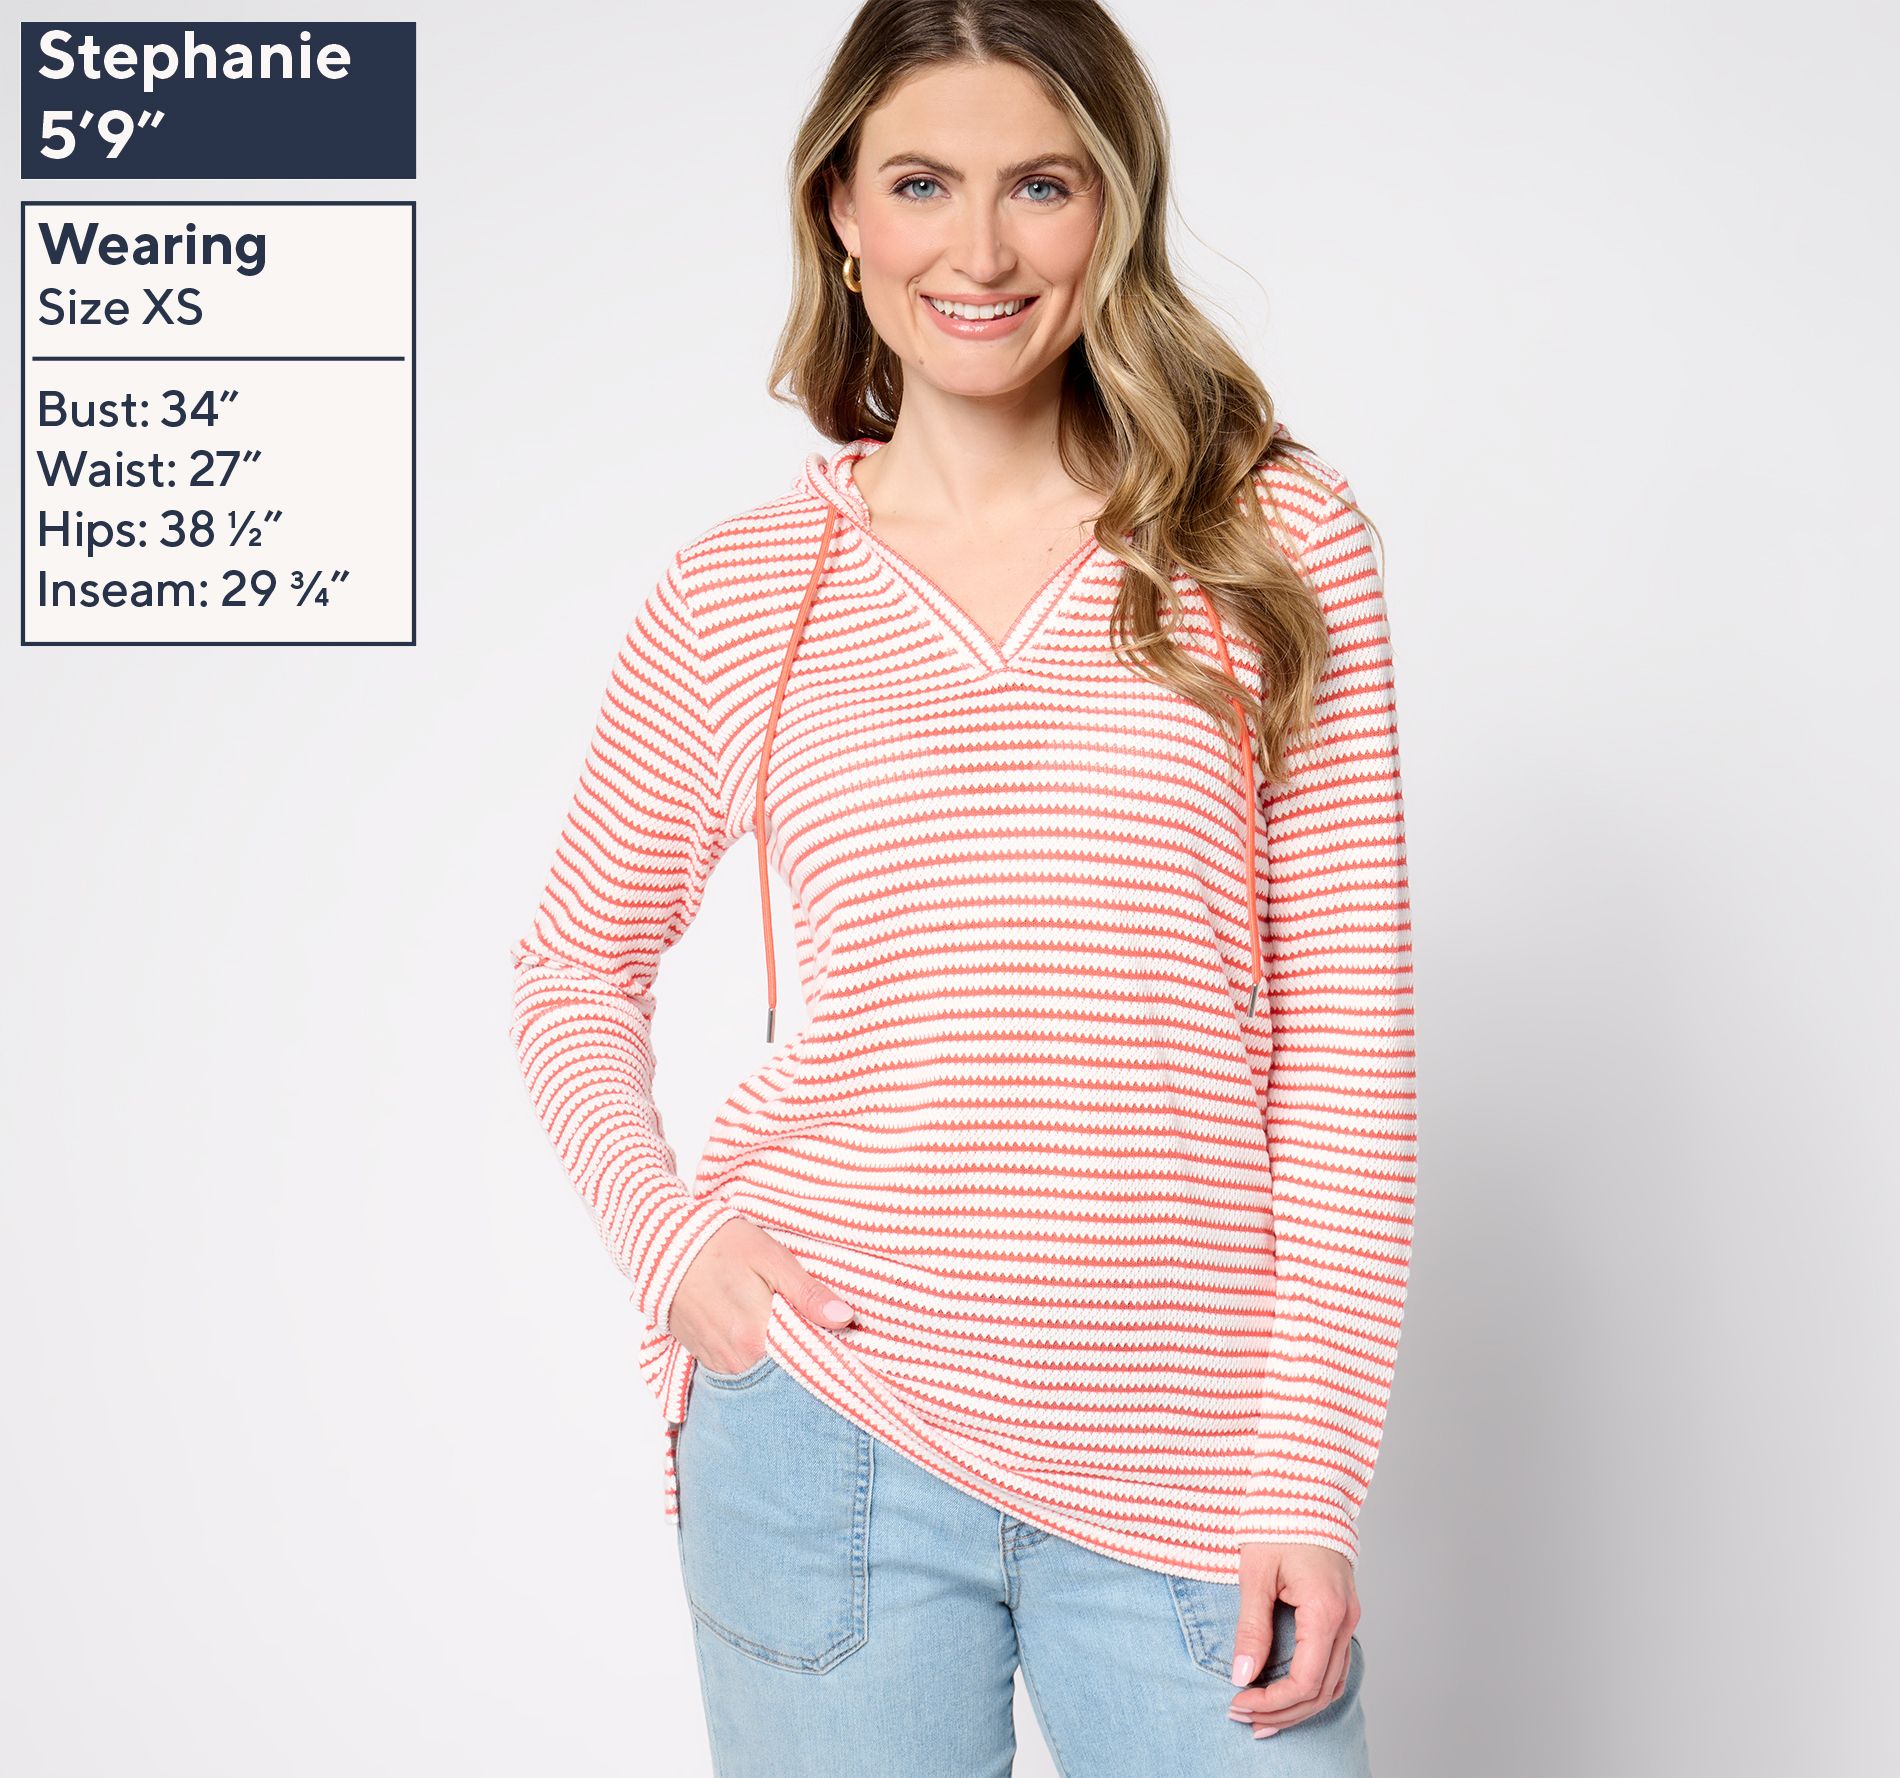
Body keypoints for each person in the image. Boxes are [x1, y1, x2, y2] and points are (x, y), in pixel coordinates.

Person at [507, 2, 1416, 1771]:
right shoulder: (738, 595)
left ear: (1114, 208)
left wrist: (1308, 1471)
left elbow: (1347, 1043)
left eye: (1041, 186)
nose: (981, 251)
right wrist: (675, 1249)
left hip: (1193, 1459)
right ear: (843, 211)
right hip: (827, 1439)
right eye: (923, 183)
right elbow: (570, 971)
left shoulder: (1270, 542)